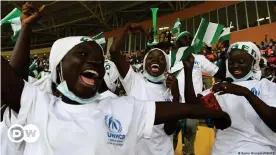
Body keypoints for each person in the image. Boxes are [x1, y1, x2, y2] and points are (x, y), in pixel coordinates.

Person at [1, 4, 231, 155]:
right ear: (57, 67)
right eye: (81, 54)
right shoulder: (38, 104)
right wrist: (26, 29)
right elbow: (12, 79)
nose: (94, 62)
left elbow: (176, 110)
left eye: (99, 60)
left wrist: (215, 114)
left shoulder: (119, 107)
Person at [186, 41, 276, 155]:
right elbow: (192, 107)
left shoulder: (265, 86)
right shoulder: (220, 87)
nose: (235, 66)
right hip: (222, 150)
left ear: (253, 62)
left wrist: (246, 93)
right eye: (231, 62)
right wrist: (188, 72)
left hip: (259, 150)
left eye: (241, 62)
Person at [110, 23, 180, 155]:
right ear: (144, 63)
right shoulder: (134, 80)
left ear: (166, 65)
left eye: (161, 59)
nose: (156, 61)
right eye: (151, 58)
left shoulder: (171, 89)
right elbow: (114, 51)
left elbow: (170, 130)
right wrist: (127, 28)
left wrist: (176, 96)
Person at [172, 31, 225, 155]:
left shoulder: (199, 59)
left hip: (192, 107)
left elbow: (219, 75)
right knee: (170, 140)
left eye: (190, 38)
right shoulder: (171, 59)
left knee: (189, 143)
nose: (189, 40)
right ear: (178, 43)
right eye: (185, 38)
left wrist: (206, 93)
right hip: (174, 106)